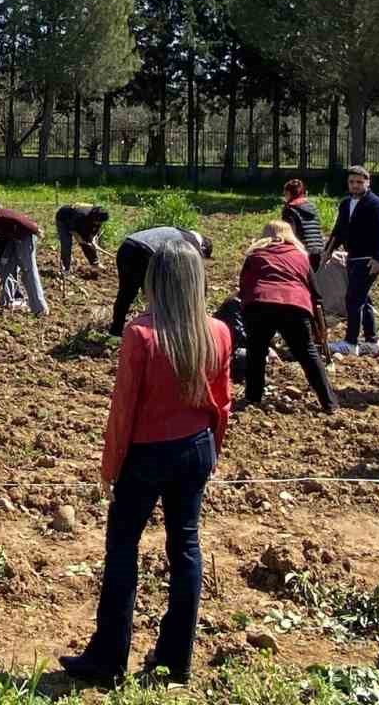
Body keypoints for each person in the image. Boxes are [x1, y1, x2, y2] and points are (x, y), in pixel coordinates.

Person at [60, 239, 231, 686]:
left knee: (122, 547)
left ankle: (108, 657)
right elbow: (223, 403)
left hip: (146, 455)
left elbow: (124, 409)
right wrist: (211, 452)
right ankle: (176, 661)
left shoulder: (141, 333)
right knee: (186, 548)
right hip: (195, 448)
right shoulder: (218, 331)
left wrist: (109, 466)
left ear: (155, 280)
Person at [238, 221, 337, 412]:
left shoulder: (255, 254)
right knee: (308, 353)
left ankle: (253, 397)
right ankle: (329, 402)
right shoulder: (300, 256)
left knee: (256, 353)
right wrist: (318, 323)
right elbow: (315, 292)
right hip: (294, 306)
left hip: (260, 304)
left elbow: (244, 284)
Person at [322, 166, 379, 358]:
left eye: (359, 182)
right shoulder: (345, 204)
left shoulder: (378, 205)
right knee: (363, 299)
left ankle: (351, 343)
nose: (355, 185)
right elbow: (338, 231)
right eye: (352, 182)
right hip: (352, 258)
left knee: (353, 299)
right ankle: (372, 342)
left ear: (368, 183)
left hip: (368, 260)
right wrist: (328, 251)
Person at [110, 226, 213, 338]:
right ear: (202, 248)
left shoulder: (178, 231)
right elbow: (199, 277)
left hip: (127, 246)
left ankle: (115, 331)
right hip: (144, 252)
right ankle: (155, 331)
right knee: (159, 293)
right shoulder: (192, 243)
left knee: (126, 292)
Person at [279, 180, 325, 269]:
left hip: (302, 251)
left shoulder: (290, 210)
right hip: (319, 251)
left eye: (285, 194)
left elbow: (288, 234)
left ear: (289, 193)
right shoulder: (312, 207)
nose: (284, 197)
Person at [56, 204, 111, 274]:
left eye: (100, 222)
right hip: (64, 218)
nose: (99, 223)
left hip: (78, 221)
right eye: (98, 221)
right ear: (93, 218)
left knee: (87, 241)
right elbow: (72, 230)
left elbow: (92, 234)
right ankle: (65, 269)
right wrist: (80, 239)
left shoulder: (99, 219)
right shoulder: (81, 215)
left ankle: (95, 263)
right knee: (66, 244)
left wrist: (92, 241)